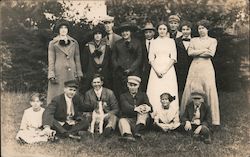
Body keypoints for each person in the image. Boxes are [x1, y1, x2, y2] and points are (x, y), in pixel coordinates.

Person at [180, 20, 220, 126]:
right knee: (190, 88)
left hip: (206, 67)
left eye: (203, 28)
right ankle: (186, 117)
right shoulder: (194, 40)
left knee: (208, 88)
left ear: (207, 29)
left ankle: (212, 119)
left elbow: (211, 53)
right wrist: (204, 50)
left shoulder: (213, 40)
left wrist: (197, 52)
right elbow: (190, 53)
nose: (201, 30)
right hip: (194, 67)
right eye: (199, 28)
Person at [146, 21, 179, 117]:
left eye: (164, 29)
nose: (162, 31)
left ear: (167, 30)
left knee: (168, 89)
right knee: (155, 90)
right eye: (160, 29)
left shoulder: (171, 41)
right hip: (155, 70)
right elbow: (151, 58)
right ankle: (154, 115)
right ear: (157, 30)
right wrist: (157, 71)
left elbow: (173, 57)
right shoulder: (153, 42)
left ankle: (171, 115)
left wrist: (164, 71)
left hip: (168, 70)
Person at [47, 19, 83, 104]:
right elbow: (51, 59)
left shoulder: (74, 42)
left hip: (71, 72)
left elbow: (77, 58)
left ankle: (72, 113)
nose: (63, 30)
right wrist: (51, 73)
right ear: (58, 30)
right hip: (59, 71)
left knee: (71, 91)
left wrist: (79, 72)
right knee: (58, 93)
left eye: (65, 28)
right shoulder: (53, 43)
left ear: (68, 30)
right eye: (61, 28)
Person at [112, 22, 142, 99]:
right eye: (123, 31)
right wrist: (118, 68)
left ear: (130, 32)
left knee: (134, 90)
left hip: (134, 72)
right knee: (121, 92)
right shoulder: (117, 44)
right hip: (121, 73)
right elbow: (114, 58)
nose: (125, 33)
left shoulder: (137, 42)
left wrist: (131, 69)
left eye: (127, 31)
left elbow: (139, 57)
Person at [119, 76, 152, 141]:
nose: (132, 87)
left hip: (141, 121)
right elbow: (125, 107)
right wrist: (137, 108)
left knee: (143, 113)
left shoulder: (143, 95)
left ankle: (138, 132)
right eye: (130, 85)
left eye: (135, 85)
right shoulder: (123, 96)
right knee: (122, 120)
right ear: (127, 85)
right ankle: (128, 135)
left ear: (138, 85)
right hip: (129, 119)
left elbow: (149, 106)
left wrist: (146, 107)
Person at [81, 24, 113, 93]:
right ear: (93, 35)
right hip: (91, 71)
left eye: (99, 34)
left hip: (104, 72)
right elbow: (84, 62)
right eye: (95, 34)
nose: (97, 35)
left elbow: (110, 61)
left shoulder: (107, 47)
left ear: (102, 35)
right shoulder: (87, 46)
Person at [175, 21, 193, 96]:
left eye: (187, 29)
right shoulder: (176, 41)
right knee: (180, 88)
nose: (185, 31)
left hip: (192, 67)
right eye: (183, 29)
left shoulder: (195, 40)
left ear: (191, 30)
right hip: (179, 68)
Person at [141, 22, 156, 92]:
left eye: (150, 32)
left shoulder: (157, 42)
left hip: (155, 69)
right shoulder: (141, 43)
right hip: (144, 70)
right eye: (146, 32)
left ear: (154, 33)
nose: (148, 34)